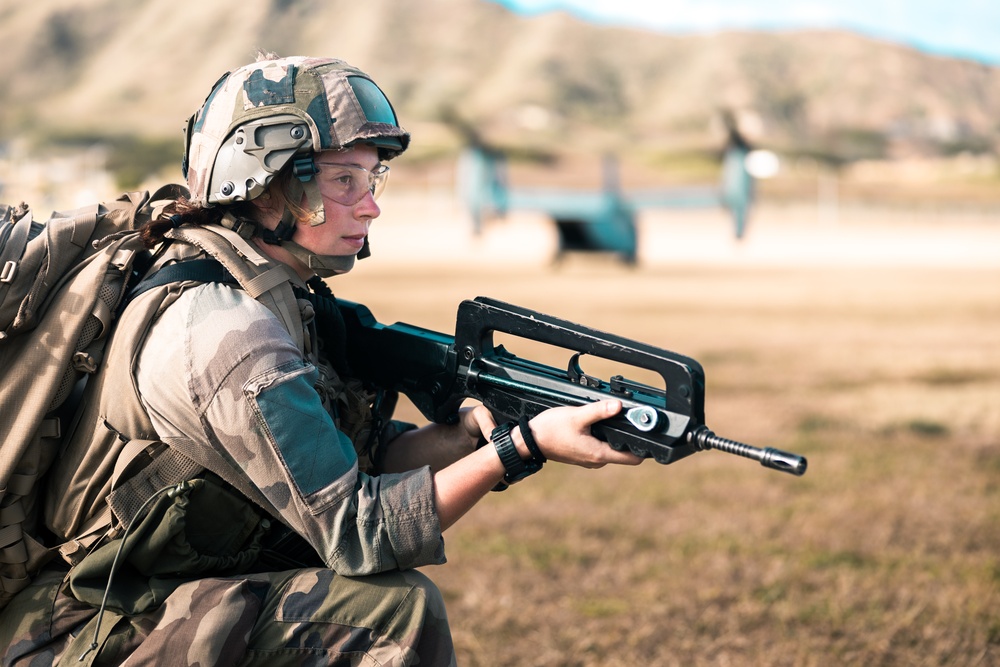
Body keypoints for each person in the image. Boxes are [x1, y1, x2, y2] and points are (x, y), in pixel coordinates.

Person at [0, 52, 642, 665]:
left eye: (372, 178)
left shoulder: (282, 299)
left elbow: (346, 461)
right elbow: (358, 533)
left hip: (143, 595)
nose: (371, 204)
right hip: (82, 624)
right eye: (343, 180)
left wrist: (461, 440)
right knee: (391, 615)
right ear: (265, 184)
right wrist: (522, 447)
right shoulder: (225, 333)